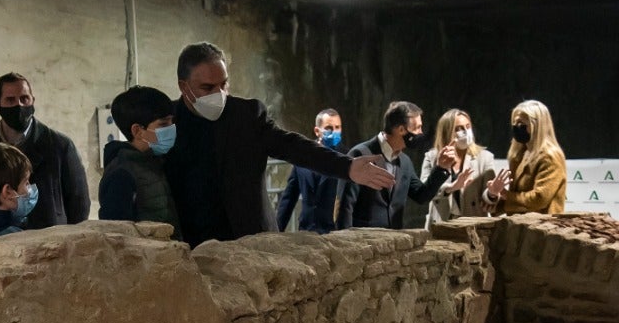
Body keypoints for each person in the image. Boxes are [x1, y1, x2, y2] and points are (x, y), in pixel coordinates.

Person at [166, 42, 396, 246]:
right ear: (184, 87)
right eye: (207, 88)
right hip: (195, 244)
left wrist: (347, 167)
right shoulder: (167, 123)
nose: (219, 94)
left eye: (224, 85)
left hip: (252, 240)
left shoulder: (246, 115)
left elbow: (293, 146)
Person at [0, 72, 90, 230]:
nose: (18, 105)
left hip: (50, 241)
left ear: (33, 100)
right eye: (10, 100)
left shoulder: (60, 145)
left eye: (24, 98)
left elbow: (79, 203)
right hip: (0, 240)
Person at [338, 101, 456, 229]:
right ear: (401, 129)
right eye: (417, 128)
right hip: (363, 242)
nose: (420, 133)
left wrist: (441, 168)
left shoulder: (405, 161)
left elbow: (421, 195)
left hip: (394, 242)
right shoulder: (360, 154)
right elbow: (345, 206)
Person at [99, 85, 181, 233]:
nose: (171, 128)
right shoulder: (121, 174)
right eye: (163, 124)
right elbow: (116, 236)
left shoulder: (157, 162)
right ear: (138, 131)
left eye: (171, 121)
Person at [486, 100, 567, 214]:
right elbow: (517, 200)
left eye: (521, 124)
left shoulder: (550, 157)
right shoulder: (518, 156)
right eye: (514, 123)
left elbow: (539, 199)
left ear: (537, 125)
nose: (516, 127)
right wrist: (494, 197)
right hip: (520, 228)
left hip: (543, 228)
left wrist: (505, 196)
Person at [421, 108, 497, 225]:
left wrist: (492, 193)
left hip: (472, 225)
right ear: (447, 132)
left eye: (468, 126)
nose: (466, 132)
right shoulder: (432, 157)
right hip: (441, 225)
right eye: (459, 129)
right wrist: (451, 188)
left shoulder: (485, 157)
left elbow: (487, 199)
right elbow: (424, 193)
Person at [276, 110, 346, 234]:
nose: (334, 132)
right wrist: (275, 230)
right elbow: (289, 196)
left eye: (337, 127)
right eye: (329, 128)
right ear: (317, 131)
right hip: (306, 229)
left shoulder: (346, 158)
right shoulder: (303, 156)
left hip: (334, 232)